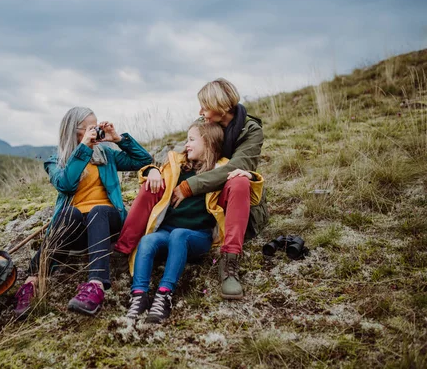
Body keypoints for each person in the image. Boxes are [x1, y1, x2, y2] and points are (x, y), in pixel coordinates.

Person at [114, 78, 268, 300]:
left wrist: (189, 186)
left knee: (239, 180)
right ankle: (124, 249)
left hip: (225, 195)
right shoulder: (204, 121)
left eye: (205, 106)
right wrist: (154, 170)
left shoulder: (250, 130)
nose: (201, 111)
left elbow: (238, 166)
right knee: (153, 183)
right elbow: (180, 155)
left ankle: (229, 263)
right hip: (200, 189)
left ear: (222, 107)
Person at [14, 107, 152, 317]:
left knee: (99, 210)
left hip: (108, 221)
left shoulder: (106, 154)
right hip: (77, 229)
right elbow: (66, 185)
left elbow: (144, 160)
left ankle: (95, 286)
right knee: (69, 213)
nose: (96, 131)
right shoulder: (56, 161)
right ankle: (32, 283)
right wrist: (84, 148)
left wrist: (118, 139)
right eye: (90, 128)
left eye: (97, 126)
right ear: (73, 131)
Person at [125, 121, 264, 323]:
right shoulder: (177, 166)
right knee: (148, 241)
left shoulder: (220, 170)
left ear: (208, 143)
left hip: (197, 236)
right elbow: (152, 172)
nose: (186, 145)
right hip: (167, 232)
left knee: (179, 235)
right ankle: (139, 296)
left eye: (191, 140)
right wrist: (151, 171)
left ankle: (164, 295)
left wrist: (249, 174)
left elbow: (247, 191)